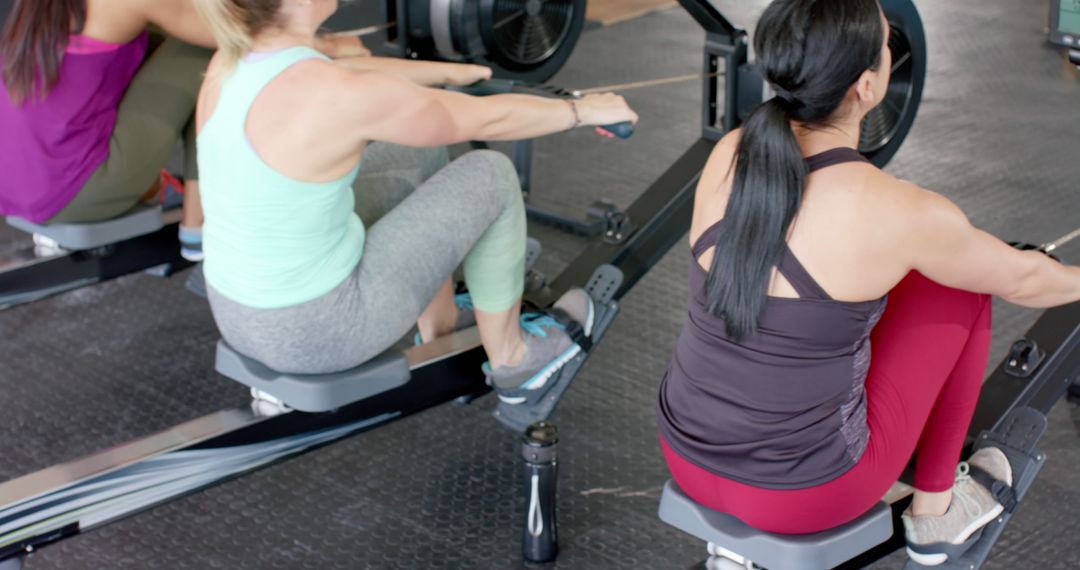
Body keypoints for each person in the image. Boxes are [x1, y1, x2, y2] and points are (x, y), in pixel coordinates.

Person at [654, 0, 1080, 565]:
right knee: (961, 283)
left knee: (900, 276)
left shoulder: (732, 152)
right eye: (887, 46)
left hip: (685, 454)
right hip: (806, 495)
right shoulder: (894, 209)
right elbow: (1026, 281)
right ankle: (936, 515)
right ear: (867, 85)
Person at [192, 0, 638, 406]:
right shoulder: (332, 93)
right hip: (320, 332)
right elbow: (486, 118)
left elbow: (353, 77)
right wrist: (584, 111)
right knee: (490, 175)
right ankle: (515, 361)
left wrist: (449, 74)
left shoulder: (230, 62)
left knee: (413, 152)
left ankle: (438, 322)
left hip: (238, 315)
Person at [0, 0, 364, 260]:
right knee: (203, 47)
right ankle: (199, 228)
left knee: (169, 41)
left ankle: (187, 202)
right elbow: (231, 34)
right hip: (77, 189)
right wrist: (329, 45)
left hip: (18, 186)